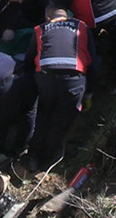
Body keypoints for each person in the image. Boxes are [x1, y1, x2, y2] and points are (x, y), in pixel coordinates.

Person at [22, 9, 96, 171]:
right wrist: (89, 92)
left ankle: (33, 156)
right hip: (74, 80)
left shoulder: (40, 29)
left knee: (43, 115)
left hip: (46, 78)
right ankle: (49, 160)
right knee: (60, 122)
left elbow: (28, 60)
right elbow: (93, 62)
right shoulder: (81, 26)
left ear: (49, 17)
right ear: (68, 17)